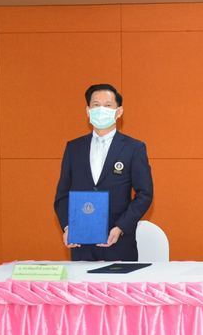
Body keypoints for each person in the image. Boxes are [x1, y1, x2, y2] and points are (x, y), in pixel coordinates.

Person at [53, 83, 153, 261]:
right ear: (88, 111)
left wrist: (121, 227)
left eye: (107, 105)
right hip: (81, 245)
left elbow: (145, 194)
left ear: (119, 111)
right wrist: (68, 227)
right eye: (96, 105)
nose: (101, 110)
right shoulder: (74, 148)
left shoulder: (134, 148)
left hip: (119, 243)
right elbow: (62, 195)